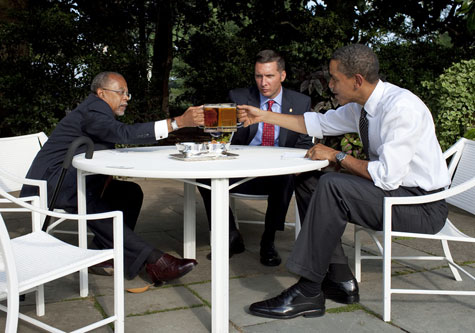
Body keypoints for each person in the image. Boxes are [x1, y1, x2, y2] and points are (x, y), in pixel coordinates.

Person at [237, 44, 450, 318]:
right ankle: (340, 280)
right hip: (397, 194)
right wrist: (263, 115)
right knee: (310, 180)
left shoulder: (400, 108)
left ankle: (309, 290)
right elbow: (318, 124)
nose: (330, 84)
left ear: (357, 80)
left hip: (421, 206)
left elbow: (386, 176)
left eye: (335, 78)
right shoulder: (363, 106)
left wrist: (337, 156)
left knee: (331, 185)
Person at [21, 71, 205, 284]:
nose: (126, 98)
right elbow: (123, 133)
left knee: (130, 193)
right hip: (54, 185)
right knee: (92, 203)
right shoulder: (94, 109)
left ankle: (104, 254)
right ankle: (155, 261)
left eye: (127, 94)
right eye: (121, 93)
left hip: (71, 178)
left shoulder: (97, 111)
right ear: (101, 93)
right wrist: (178, 122)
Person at [197, 50, 313, 266]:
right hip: (242, 169)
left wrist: (293, 165)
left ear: (283, 76)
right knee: (203, 177)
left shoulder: (300, 102)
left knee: (286, 178)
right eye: (259, 76)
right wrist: (225, 126)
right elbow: (225, 134)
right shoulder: (239, 97)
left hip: (278, 172)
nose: (263, 82)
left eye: (269, 76)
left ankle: (268, 240)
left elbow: (305, 144)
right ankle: (230, 234)